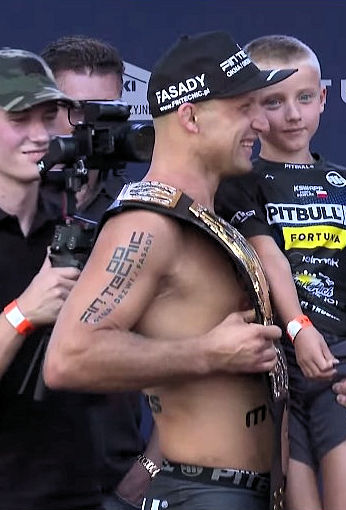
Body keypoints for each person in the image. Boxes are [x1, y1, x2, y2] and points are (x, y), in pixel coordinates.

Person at [44, 31, 301, 509]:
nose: (262, 122)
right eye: (244, 107)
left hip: (247, 491)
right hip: (204, 494)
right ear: (190, 117)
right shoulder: (147, 224)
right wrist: (207, 353)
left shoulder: (205, 214)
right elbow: (69, 357)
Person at [215, 34, 346, 510]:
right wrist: (298, 328)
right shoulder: (239, 183)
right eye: (274, 102)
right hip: (276, 361)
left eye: (304, 98)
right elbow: (268, 257)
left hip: (345, 363)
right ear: (251, 109)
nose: (293, 115)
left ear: (323, 98)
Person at [41, 35, 160, 510]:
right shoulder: (13, 212)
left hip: (112, 481)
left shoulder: (141, 213)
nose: (91, 126)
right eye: (75, 110)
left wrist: (147, 470)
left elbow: (187, 353)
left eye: (106, 111)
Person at [0, 48, 101, 509]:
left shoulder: (74, 226)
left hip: (78, 488)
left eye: (47, 117)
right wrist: (23, 313)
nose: (40, 135)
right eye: (19, 119)